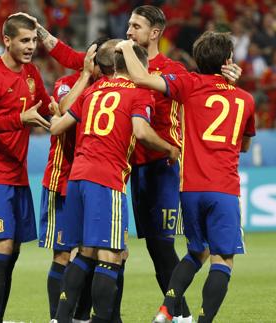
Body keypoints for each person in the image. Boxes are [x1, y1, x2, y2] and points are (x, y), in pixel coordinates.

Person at [25, 7, 242, 321]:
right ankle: (111, 316)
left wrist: (225, 80)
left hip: (158, 168)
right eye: (127, 25)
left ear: (154, 32)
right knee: (113, 249)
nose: (128, 31)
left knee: (159, 247)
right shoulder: (119, 65)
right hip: (122, 168)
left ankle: (177, 315)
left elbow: (205, 91)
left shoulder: (169, 69)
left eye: (135, 26)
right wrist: (42, 32)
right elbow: (74, 56)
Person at [116, 31, 255, 323]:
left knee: (196, 251)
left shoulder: (188, 84)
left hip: (189, 187)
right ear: (228, 61)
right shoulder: (246, 99)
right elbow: (244, 145)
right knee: (222, 260)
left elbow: (142, 78)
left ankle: (167, 310)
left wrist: (126, 47)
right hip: (224, 187)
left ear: (197, 59)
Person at [49, 39, 180, 323]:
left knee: (82, 253)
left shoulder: (94, 90)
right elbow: (142, 132)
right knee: (111, 255)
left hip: (77, 178)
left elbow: (58, 126)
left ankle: (59, 318)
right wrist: (170, 148)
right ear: (138, 66)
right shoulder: (138, 93)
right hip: (106, 179)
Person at [0, 14, 52, 323]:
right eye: (24, 41)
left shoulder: (32, 73)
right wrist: (19, 119)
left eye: (33, 41)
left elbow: (47, 106)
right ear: (7, 40)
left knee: (13, 250)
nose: (31, 47)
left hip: (17, 173)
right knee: (2, 246)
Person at [39, 41, 104, 322]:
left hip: (94, 180)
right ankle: (58, 317)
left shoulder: (113, 88)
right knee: (63, 254)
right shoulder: (68, 83)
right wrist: (85, 76)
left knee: (93, 253)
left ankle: (80, 316)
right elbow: (63, 111)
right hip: (62, 178)